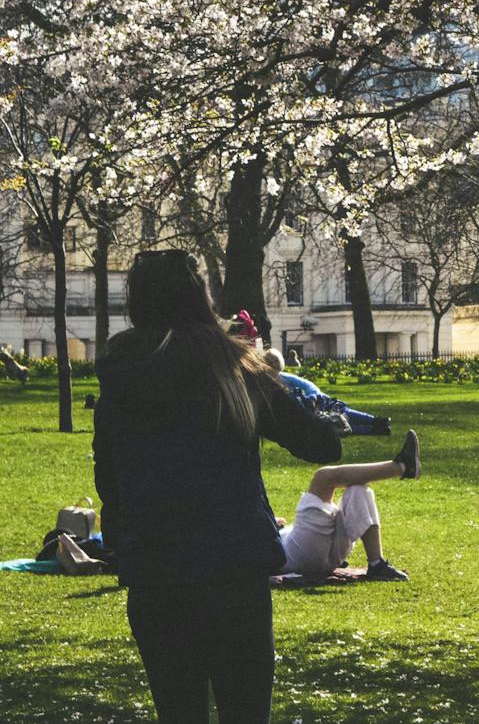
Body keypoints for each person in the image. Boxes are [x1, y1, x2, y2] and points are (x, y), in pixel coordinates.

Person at [93, 250, 343, 724]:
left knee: (179, 710)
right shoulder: (234, 368)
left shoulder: (122, 375)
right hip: (233, 567)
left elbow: (109, 480)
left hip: (157, 569)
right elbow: (321, 445)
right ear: (200, 298)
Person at [277, 431, 421, 582]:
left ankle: (377, 564)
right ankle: (401, 467)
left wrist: (273, 521)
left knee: (357, 488)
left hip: (318, 556)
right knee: (323, 477)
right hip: (295, 553)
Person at [261, 348, 391, 435]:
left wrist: (312, 398)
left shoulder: (285, 378)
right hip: (304, 410)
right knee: (333, 424)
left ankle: (375, 421)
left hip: (316, 402)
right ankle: (373, 428)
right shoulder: (267, 383)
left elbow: (309, 386)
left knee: (340, 413)